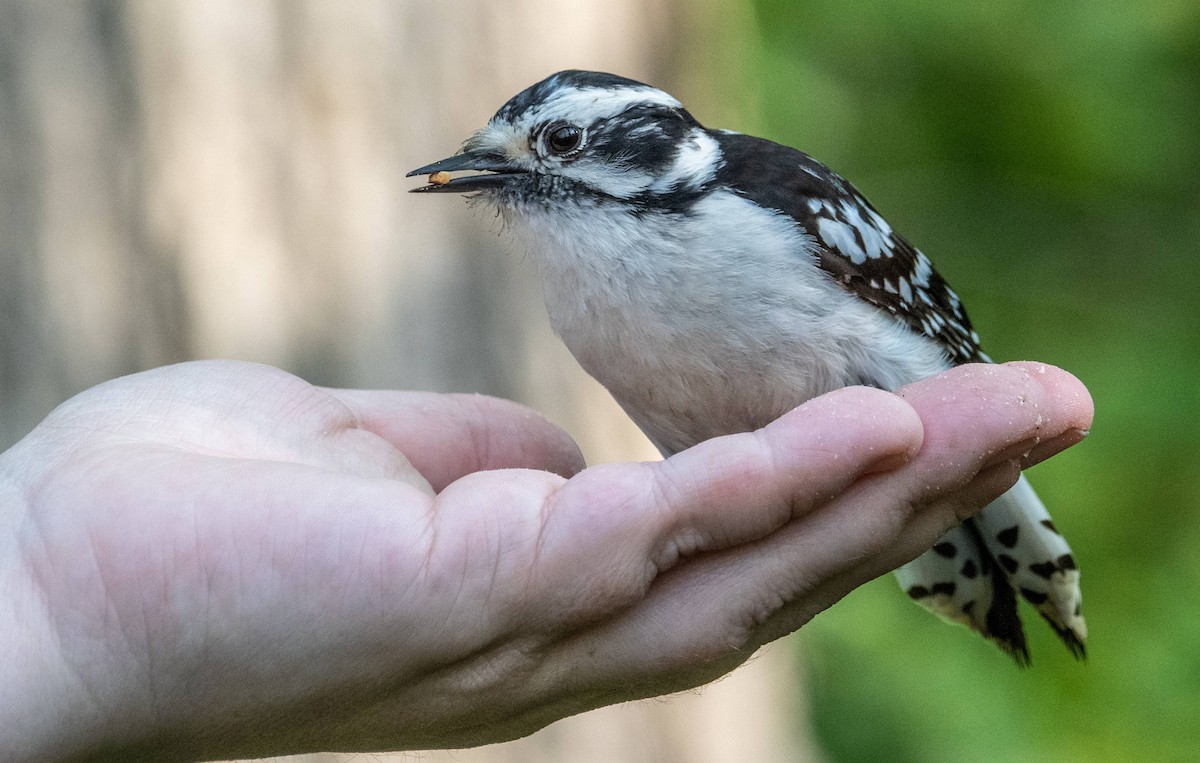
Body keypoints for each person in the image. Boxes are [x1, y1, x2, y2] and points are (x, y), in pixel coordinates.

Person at [0, 359, 1091, 762]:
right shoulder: (590, 287)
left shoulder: (761, 209)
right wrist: (63, 608)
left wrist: (54, 594)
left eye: (562, 154)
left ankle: (998, 574)